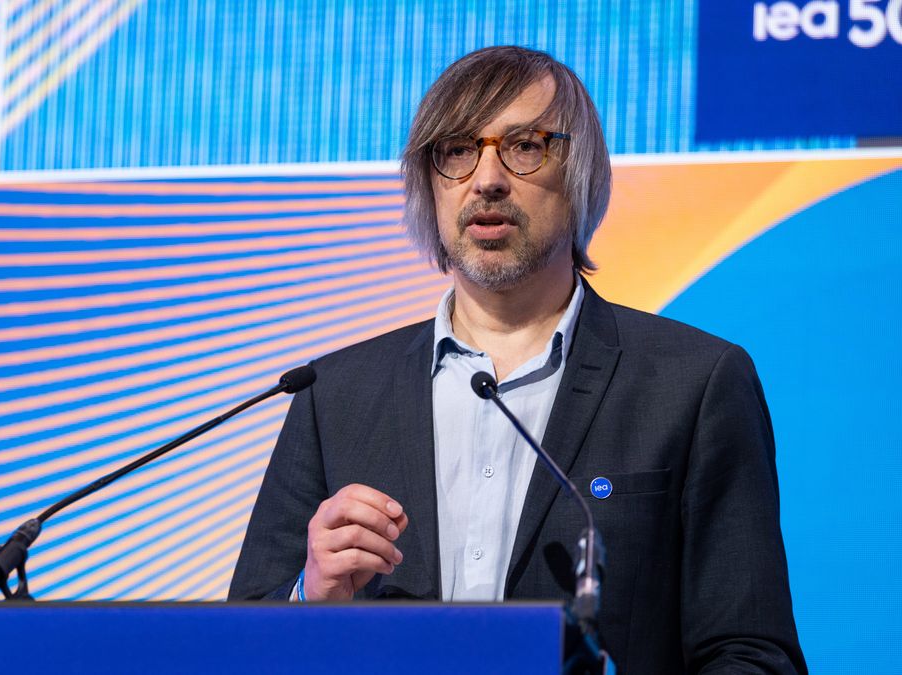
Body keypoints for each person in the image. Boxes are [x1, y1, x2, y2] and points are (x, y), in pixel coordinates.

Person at [228, 46, 806, 674]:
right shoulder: (333, 393)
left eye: (525, 145)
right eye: (456, 150)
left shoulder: (694, 384)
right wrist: (312, 600)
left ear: (581, 172)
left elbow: (751, 656)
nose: (487, 179)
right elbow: (239, 648)